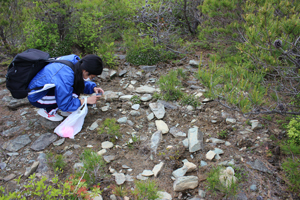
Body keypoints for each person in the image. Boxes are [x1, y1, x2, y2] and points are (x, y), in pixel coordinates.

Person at [27, 54, 104, 121]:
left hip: (44, 87)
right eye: (92, 77)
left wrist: (93, 88)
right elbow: (65, 103)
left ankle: (68, 108)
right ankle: (48, 111)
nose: (91, 79)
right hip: (37, 96)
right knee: (73, 94)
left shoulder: (76, 62)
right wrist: (85, 100)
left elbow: (78, 80)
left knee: (73, 89)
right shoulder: (66, 75)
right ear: (85, 71)